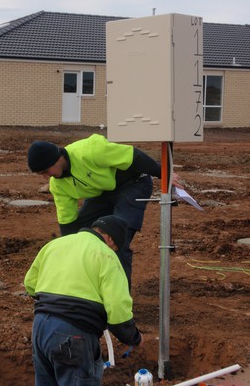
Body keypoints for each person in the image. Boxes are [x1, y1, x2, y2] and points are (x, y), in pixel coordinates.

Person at [27, 133, 181, 286]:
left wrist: (164, 173)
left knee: (116, 238)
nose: (46, 177)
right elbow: (68, 223)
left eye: (46, 171)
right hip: (102, 193)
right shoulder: (58, 185)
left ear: (57, 158)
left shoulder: (89, 150)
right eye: (41, 174)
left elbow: (133, 156)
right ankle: (87, 287)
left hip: (133, 183)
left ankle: (120, 296)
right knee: (82, 233)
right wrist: (71, 249)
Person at [24, 215, 143, 386]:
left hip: (40, 328)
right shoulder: (107, 256)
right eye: (116, 247)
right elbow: (118, 311)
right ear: (109, 239)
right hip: (74, 334)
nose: (114, 251)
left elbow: (30, 284)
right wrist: (134, 338)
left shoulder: (55, 245)